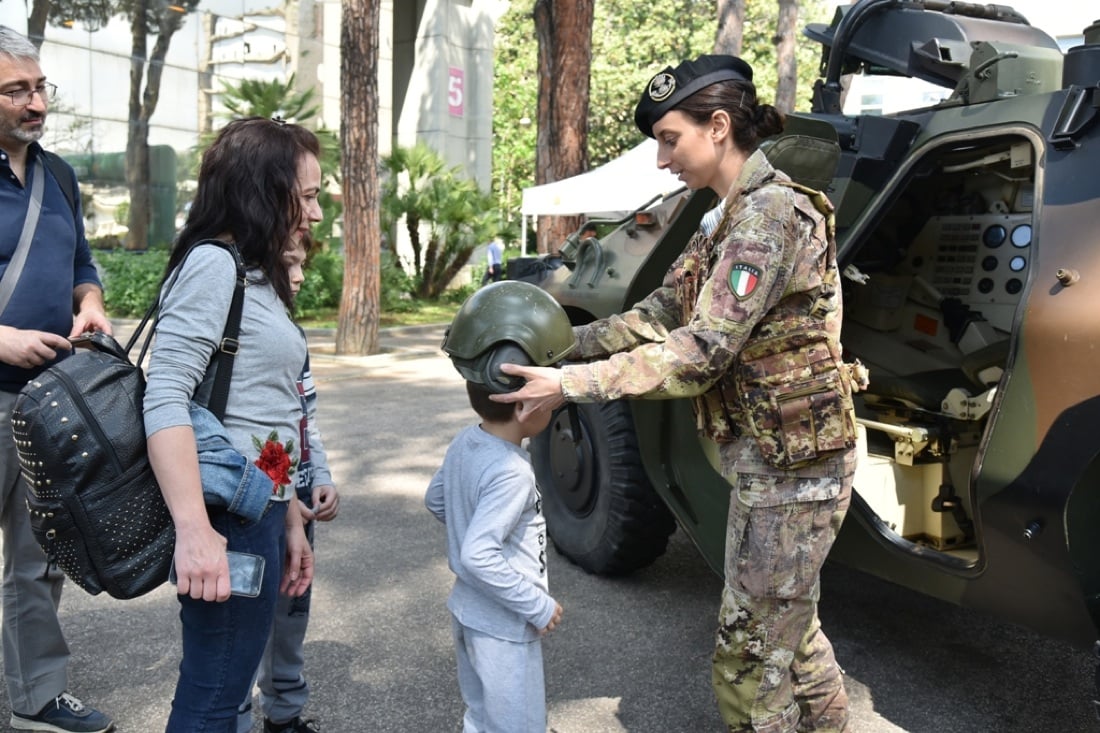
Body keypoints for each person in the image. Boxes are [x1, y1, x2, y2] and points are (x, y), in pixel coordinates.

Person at [491, 55, 858, 733]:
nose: (661, 160)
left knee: (750, 663)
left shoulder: (768, 216)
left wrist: (566, 385)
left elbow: (700, 352)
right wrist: (558, 345)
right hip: (777, 461)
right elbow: (658, 311)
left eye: (669, 138)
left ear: (718, 126)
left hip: (795, 469)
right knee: (791, 628)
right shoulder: (723, 218)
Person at [143, 116, 318, 731]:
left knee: (226, 684)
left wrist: (291, 514)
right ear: (266, 189)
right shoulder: (214, 265)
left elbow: (265, 416)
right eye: (310, 195)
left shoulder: (258, 275)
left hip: (261, 513)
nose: (317, 214)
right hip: (224, 522)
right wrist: (194, 531)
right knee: (215, 695)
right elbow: (165, 395)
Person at [0, 25, 114, 733]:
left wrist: (92, 305)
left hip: (46, 404)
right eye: (17, 89)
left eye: (40, 87)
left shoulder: (58, 175)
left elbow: (82, 265)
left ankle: (36, 695)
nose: (36, 102)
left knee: (39, 556)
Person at [427, 281, 571, 732]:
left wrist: (470, 517)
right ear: (528, 406)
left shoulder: (466, 442)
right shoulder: (513, 471)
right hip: (504, 624)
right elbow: (478, 555)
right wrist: (536, 605)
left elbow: (436, 499)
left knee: (481, 715)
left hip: (469, 612)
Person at [238, 236, 340, 733]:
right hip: (259, 500)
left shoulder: (292, 336)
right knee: (241, 623)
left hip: (295, 495)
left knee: (291, 609)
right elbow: (256, 431)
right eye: (290, 265)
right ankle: (232, 717)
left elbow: (304, 419)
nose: (300, 276)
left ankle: (284, 713)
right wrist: (283, 500)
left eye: (303, 265)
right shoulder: (246, 332)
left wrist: (318, 477)